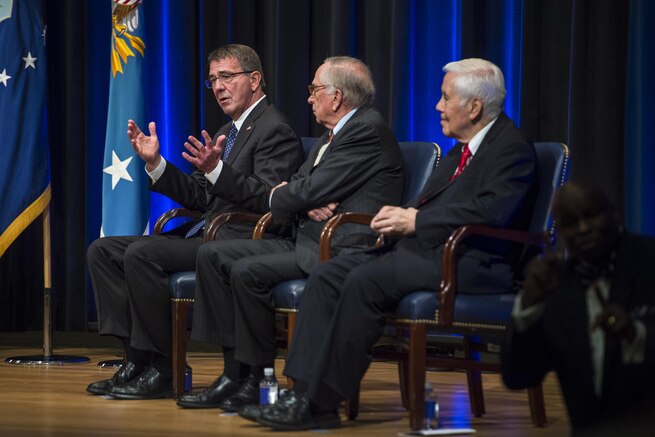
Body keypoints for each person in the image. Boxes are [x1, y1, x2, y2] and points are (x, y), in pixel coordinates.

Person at [244, 58, 539, 431]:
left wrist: (415, 220)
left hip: (472, 261)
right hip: (428, 251)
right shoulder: (459, 150)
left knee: (365, 280)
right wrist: (398, 218)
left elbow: (493, 211)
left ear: (474, 107)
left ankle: (319, 401)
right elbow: (434, 204)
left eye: (446, 98)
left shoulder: (510, 149)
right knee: (330, 272)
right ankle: (300, 390)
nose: (438, 106)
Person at [175, 56, 406, 412]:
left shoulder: (365, 130)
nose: (309, 98)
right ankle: (235, 372)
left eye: (314, 90)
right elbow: (301, 186)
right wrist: (302, 199)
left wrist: (300, 196)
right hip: (307, 235)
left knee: (247, 271)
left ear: (337, 96)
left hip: (339, 245)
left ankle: (259, 376)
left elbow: (303, 189)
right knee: (213, 253)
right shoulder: (334, 134)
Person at [86, 44, 303, 399]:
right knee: (103, 250)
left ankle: (162, 367)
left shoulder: (274, 128)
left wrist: (216, 170)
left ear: (255, 79)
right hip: (205, 233)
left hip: (238, 238)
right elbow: (200, 196)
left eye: (227, 77)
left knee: (141, 253)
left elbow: (267, 197)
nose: (218, 86)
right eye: (213, 79)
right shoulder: (226, 131)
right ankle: (135, 359)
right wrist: (157, 163)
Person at [502, 181, 655, 434]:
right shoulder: (555, 286)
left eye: (591, 215)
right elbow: (519, 377)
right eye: (570, 223)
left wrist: (634, 333)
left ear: (614, 213)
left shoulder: (649, 261)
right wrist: (528, 308)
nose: (583, 229)